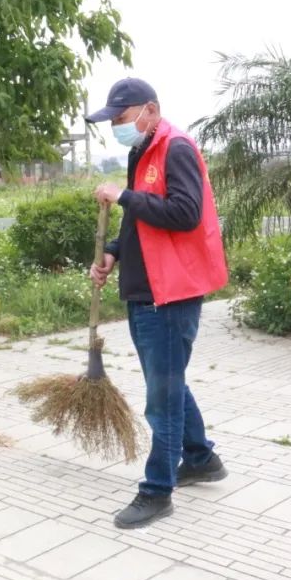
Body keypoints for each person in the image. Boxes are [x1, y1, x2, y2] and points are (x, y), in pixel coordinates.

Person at [86, 78, 230, 529]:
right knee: (168, 383)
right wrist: (113, 250)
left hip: (171, 295)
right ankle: (201, 458)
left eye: (122, 119)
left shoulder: (177, 148)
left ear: (150, 110)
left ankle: (156, 491)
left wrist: (124, 195)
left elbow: (186, 214)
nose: (117, 129)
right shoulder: (142, 151)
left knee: (161, 398)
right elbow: (141, 220)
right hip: (146, 290)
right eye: (113, 122)